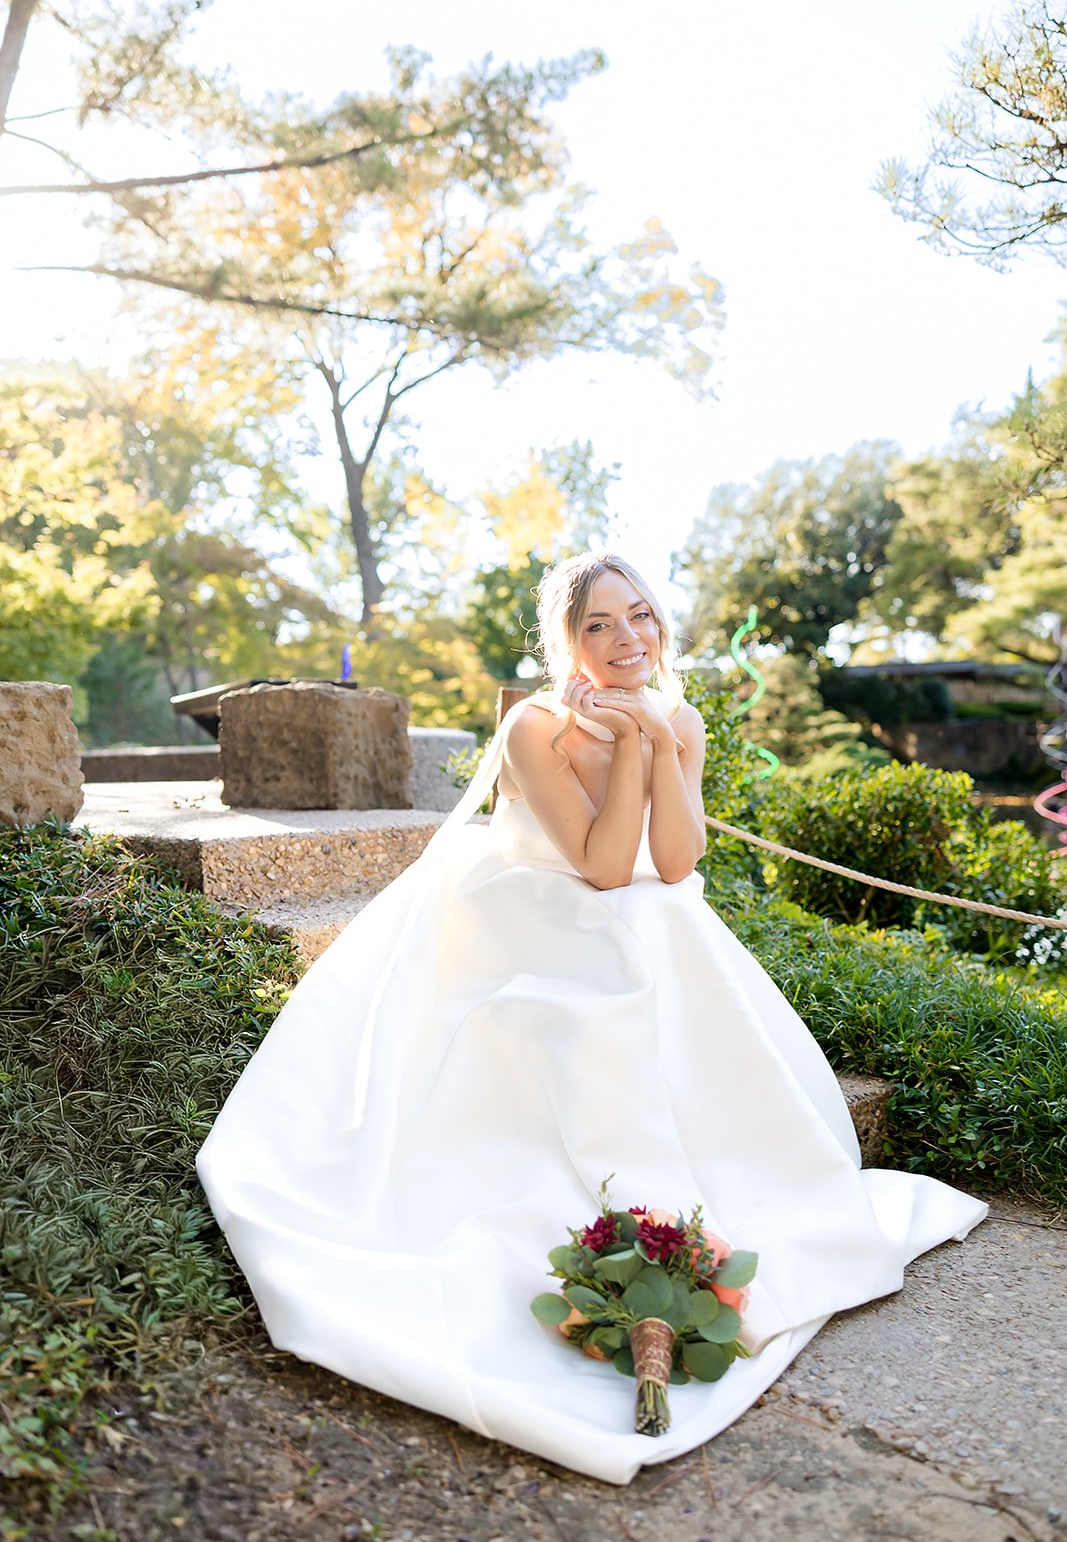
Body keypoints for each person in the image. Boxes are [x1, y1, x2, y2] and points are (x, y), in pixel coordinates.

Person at [197, 552, 986, 1485]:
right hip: (528, 907)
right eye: (601, 625)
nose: (628, 641)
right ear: (566, 641)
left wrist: (659, 741)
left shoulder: (675, 715)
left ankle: (721, 1171)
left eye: (641, 617)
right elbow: (600, 866)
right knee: (627, 924)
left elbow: (676, 859)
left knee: (666, 916)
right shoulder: (534, 724)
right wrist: (632, 752)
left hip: (630, 901)